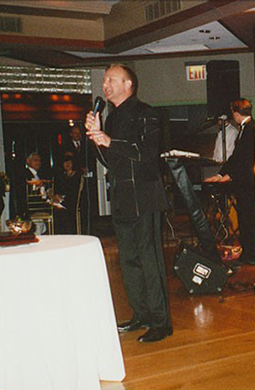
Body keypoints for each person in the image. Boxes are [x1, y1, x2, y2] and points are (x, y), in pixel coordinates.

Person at [85, 63, 171, 343]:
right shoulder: (110, 118)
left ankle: (161, 322)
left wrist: (109, 140)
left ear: (128, 85)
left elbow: (146, 153)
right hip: (122, 197)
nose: (105, 84)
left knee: (149, 260)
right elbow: (109, 160)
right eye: (104, 80)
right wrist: (98, 138)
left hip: (145, 196)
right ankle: (141, 314)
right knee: (128, 259)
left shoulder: (146, 113)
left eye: (111, 79)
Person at [205, 98, 255, 266]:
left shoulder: (253, 129)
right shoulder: (247, 129)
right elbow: (237, 157)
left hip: (252, 183)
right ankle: (251, 253)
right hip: (247, 182)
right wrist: (221, 175)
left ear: (236, 113)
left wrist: (229, 176)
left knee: (253, 220)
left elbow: (247, 159)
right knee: (247, 219)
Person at [53, 155, 82, 235]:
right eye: (65, 162)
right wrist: (56, 195)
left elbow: (75, 191)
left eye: (70, 162)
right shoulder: (61, 176)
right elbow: (57, 189)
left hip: (73, 200)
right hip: (61, 201)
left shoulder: (78, 176)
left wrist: (62, 198)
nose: (67, 164)